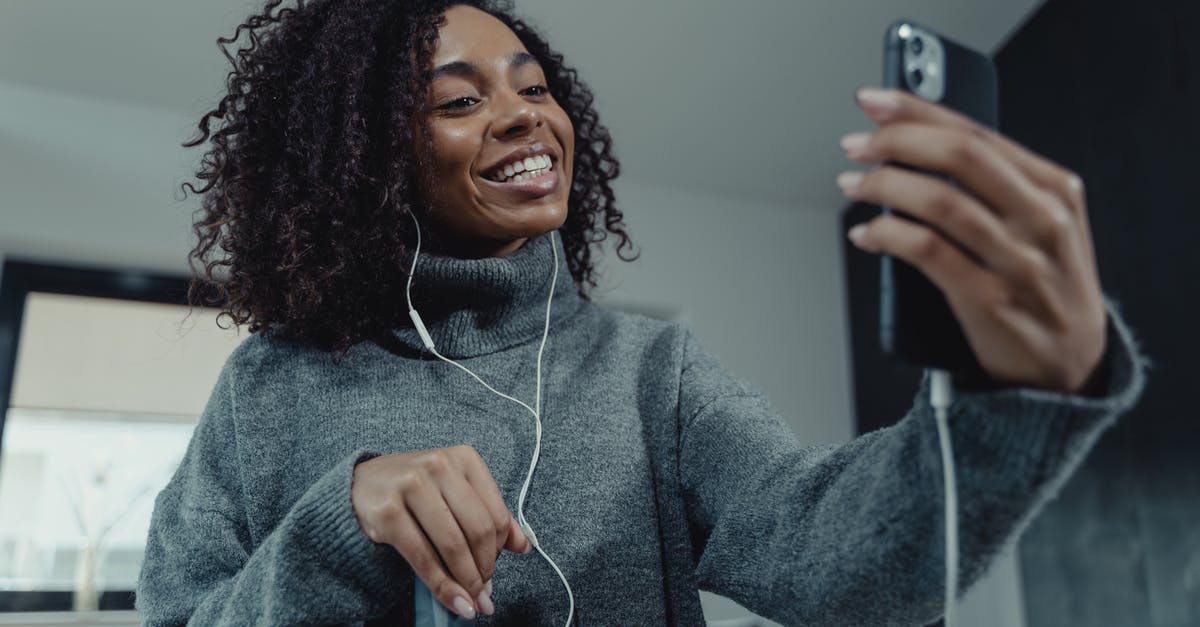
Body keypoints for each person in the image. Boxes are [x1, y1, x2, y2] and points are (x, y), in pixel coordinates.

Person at [135, 1, 1147, 625]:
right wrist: (340, 523)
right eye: (458, 101)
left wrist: (1019, 396)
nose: (524, 114)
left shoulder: (649, 373)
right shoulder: (270, 389)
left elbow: (847, 571)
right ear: (363, 162)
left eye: (534, 86)